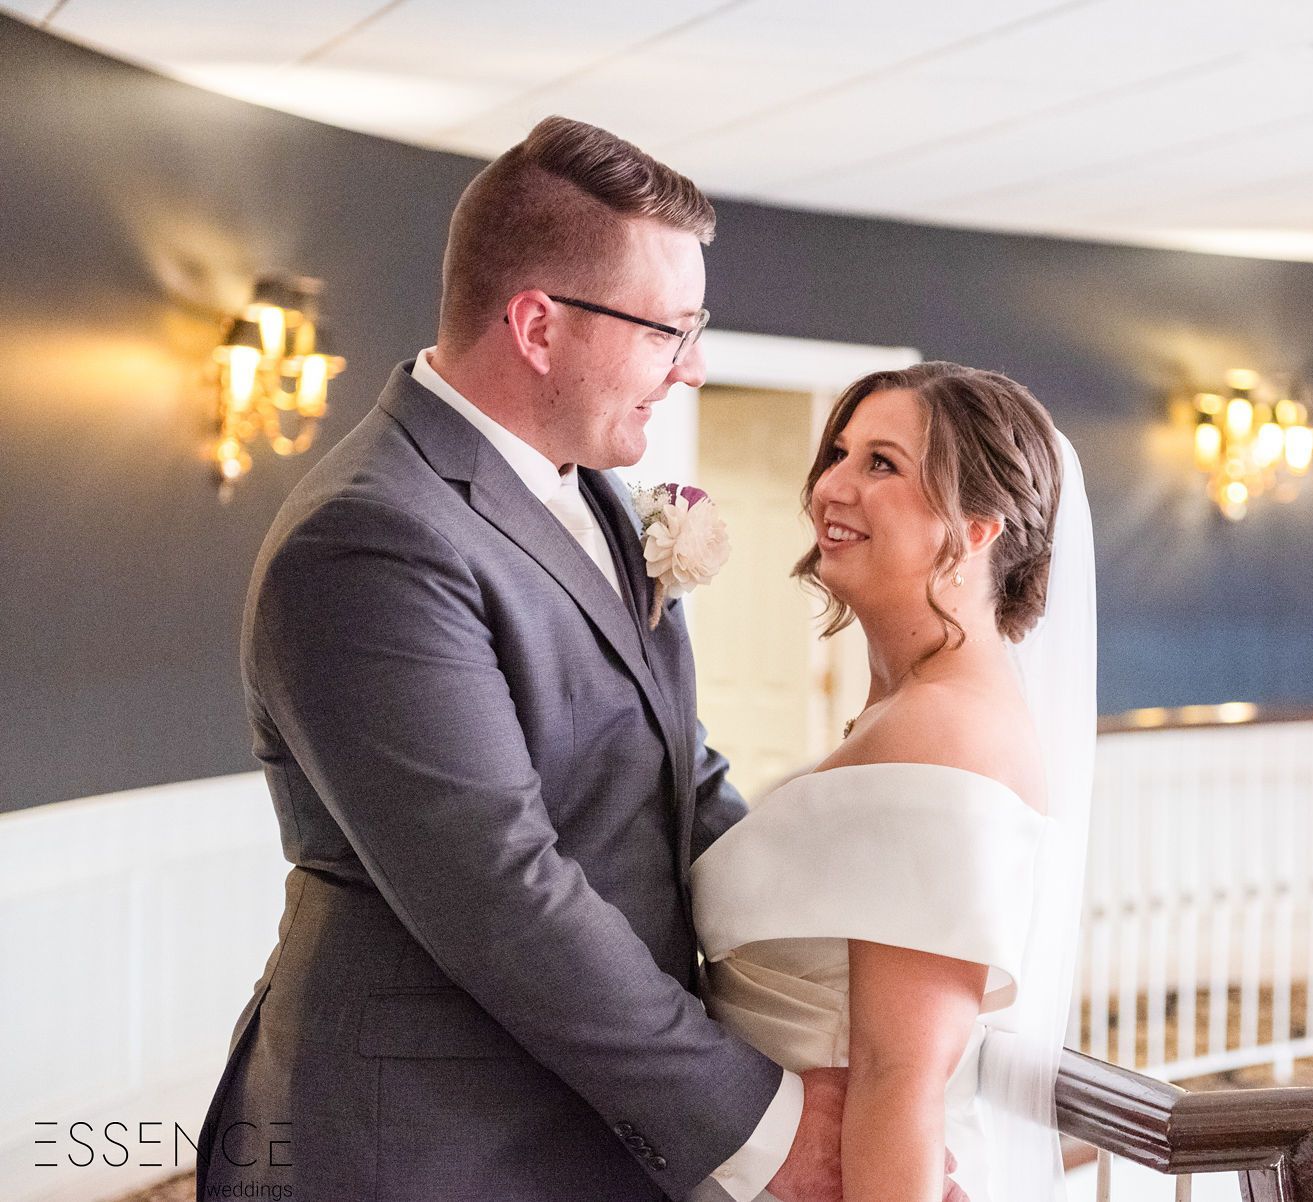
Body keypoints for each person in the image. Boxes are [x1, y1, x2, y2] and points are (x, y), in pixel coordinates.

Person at [193, 116, 953, 1202]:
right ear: (539, 325)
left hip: (586, 1111)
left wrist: (815, 971)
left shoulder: (591, 490)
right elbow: (502, 888)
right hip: (422, 1138)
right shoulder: (370, 536)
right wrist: (762, 1120)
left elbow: (673, 776)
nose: (690, 371)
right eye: (667, 331)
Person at [691, 362, 1098, 1202]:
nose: (833, 485)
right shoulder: (906, 713)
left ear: (980, 527)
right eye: (838, 453)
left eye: (882, 464)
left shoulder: (942, 731)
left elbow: (897, 1076)